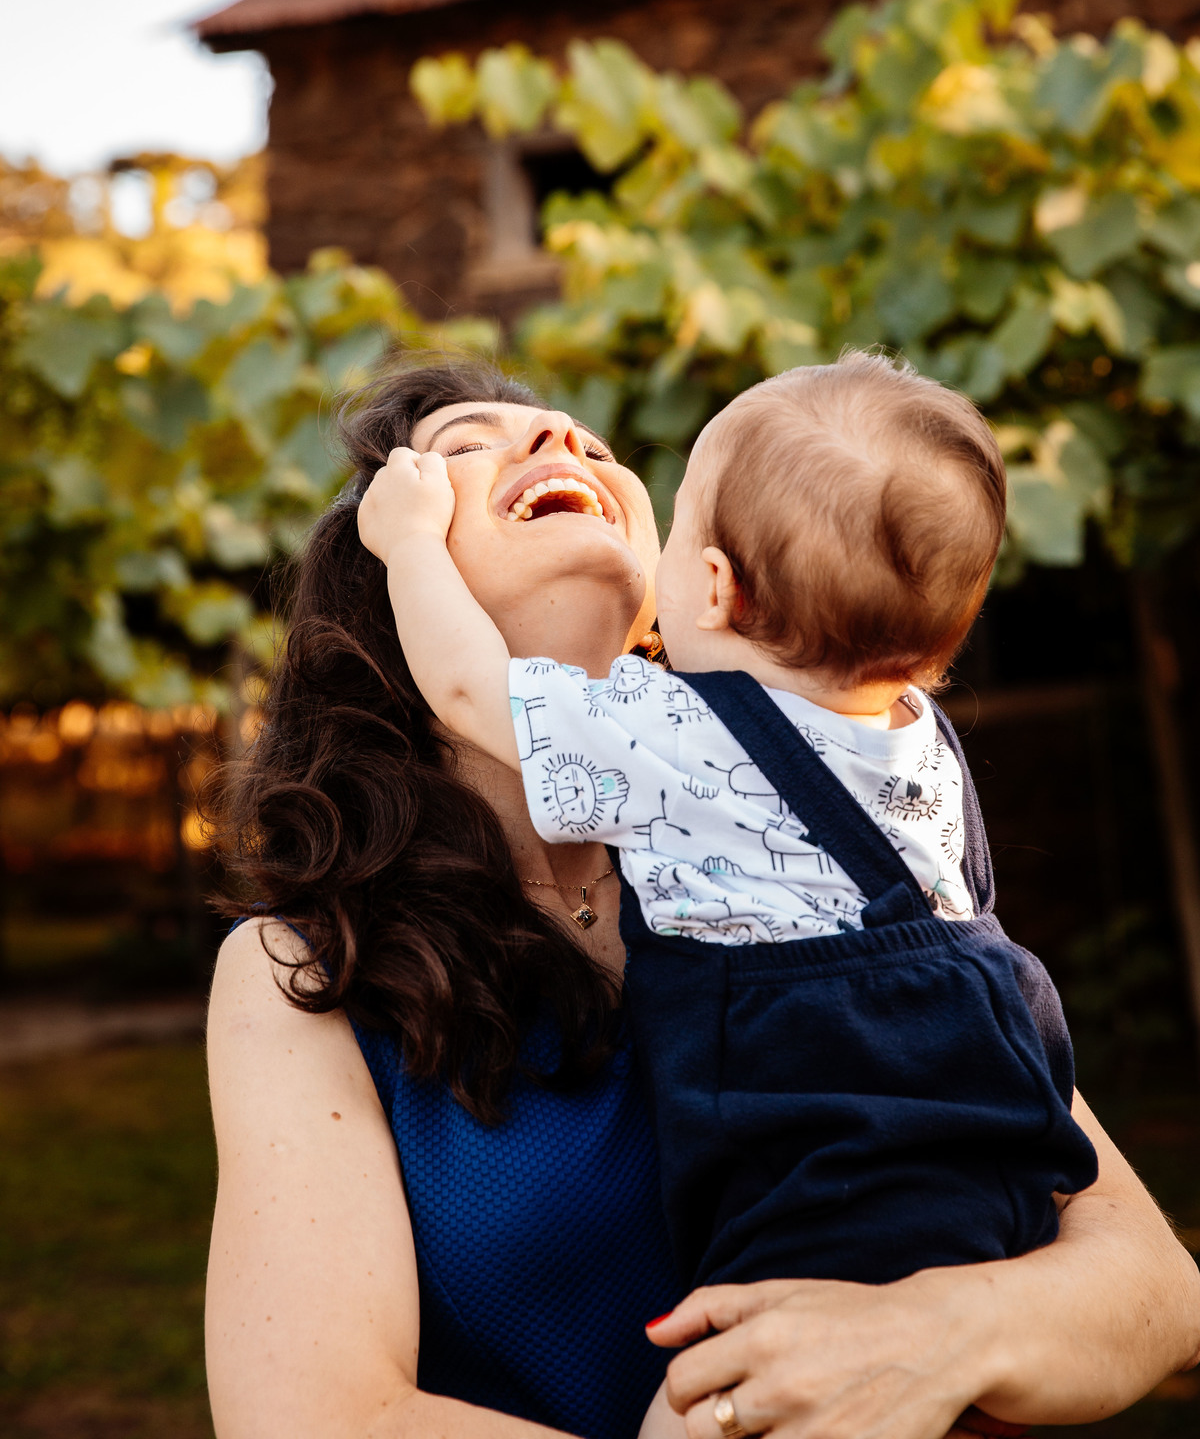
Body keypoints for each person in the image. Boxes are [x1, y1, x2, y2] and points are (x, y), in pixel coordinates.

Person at [206, 358, 1200, 1439]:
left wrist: (939, 1331)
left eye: (595, 446)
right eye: (466, 447)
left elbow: (1159, 1288)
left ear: (695, 591)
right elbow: (310, 1415)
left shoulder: (798, 853)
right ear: (381, 601)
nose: (562, 441)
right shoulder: (305, 972)